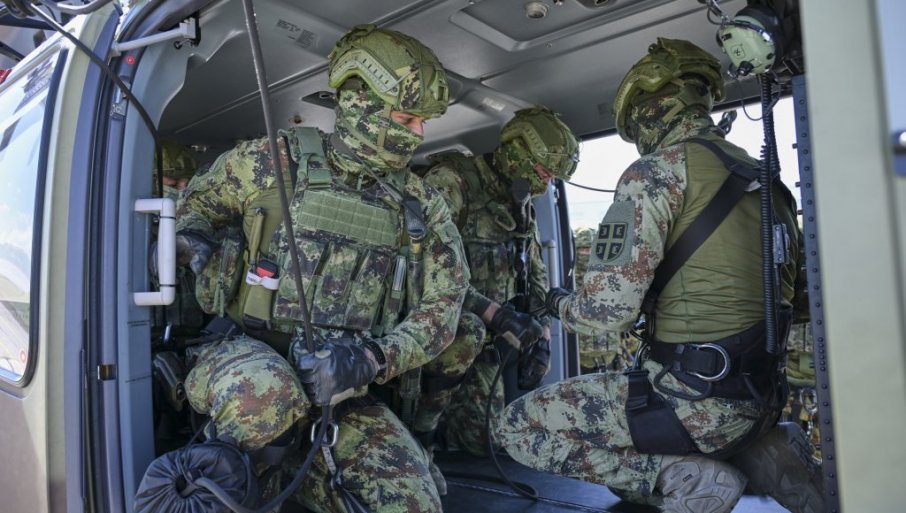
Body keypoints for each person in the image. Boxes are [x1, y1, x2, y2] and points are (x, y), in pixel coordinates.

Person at [497, 38, 824, 513]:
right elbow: (799, 302)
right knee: (628, 483)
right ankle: (768, 454)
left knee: (515, 426)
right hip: (761, 399)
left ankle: (689, 477)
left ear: (650, 110)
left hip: (691, 401)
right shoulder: (770, 183)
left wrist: (557, 302)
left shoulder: (652, 174)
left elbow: (604, 314)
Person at [160, 24, 474, 512]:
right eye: (406, 118)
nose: (417, 133)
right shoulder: (272, 161)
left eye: (422, 122)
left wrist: (373, 359)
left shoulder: (421, 204)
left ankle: (298, 469)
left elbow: (445, 304)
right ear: (360, 103)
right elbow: (196, 203)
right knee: (267, 398)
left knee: (414, 504)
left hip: (341, 387)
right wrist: (191, 236)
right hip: (244, 358)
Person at [413, 105, 579, 468]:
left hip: (486, 343)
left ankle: (442, 437)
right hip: (441, 333)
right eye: (543, 172)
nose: (546, 183)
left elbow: (534, 271)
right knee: (467, 332)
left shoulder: (520, 201)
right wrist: (495, 314)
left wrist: (543, 336)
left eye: (553, 176)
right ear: (517, 152)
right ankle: (418, 440)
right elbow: (421, 267)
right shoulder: (452, 183)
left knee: (483, 443)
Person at [572, 225, 636, 374]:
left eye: (592, 250)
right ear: (575, 252)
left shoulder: (613, 281)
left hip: (612, 358)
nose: (587, 254)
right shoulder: (567, 283)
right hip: (577, 361)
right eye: (583, 250)